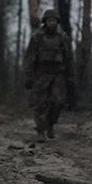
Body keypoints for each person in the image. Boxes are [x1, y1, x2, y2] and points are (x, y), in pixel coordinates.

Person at [22, 9, 74, 138]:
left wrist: (71, 75)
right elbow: (29, 57)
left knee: (57, 102)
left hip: (58, 74)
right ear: (45, 22)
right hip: (41, 74)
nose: (51, 23)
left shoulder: (63, 37)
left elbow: (69, 58)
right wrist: (28, 76)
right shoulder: (37, 37)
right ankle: (40, 130)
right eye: (49, 20)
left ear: (57, 22)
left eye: (54, 20)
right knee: (40, 104)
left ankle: (50, 124)